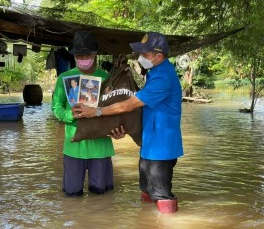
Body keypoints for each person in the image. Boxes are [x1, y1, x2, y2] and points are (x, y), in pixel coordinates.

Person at [72, 32, 184, 213]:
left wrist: (97, 111)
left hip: (162, 147)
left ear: (159, 56)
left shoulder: (163, 78)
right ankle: (147, 222)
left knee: (162, 196)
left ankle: (168, 222)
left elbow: (129, 105)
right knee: (147, 191)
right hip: (150, 144)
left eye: (145, 54)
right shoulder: (155, 73)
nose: (140, 58)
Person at [52, 31, 118, 196]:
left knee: (101, 196)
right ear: (73, 56)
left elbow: (116, 109)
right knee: (71, 195)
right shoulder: (64, 78)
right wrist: (70, 114)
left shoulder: (106, 78)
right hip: (74, 146)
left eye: (86, 55)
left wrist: (119, 129)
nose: (83, 59)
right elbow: (56, 108)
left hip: (101, 145)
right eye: (79, 56)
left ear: (94, 54)